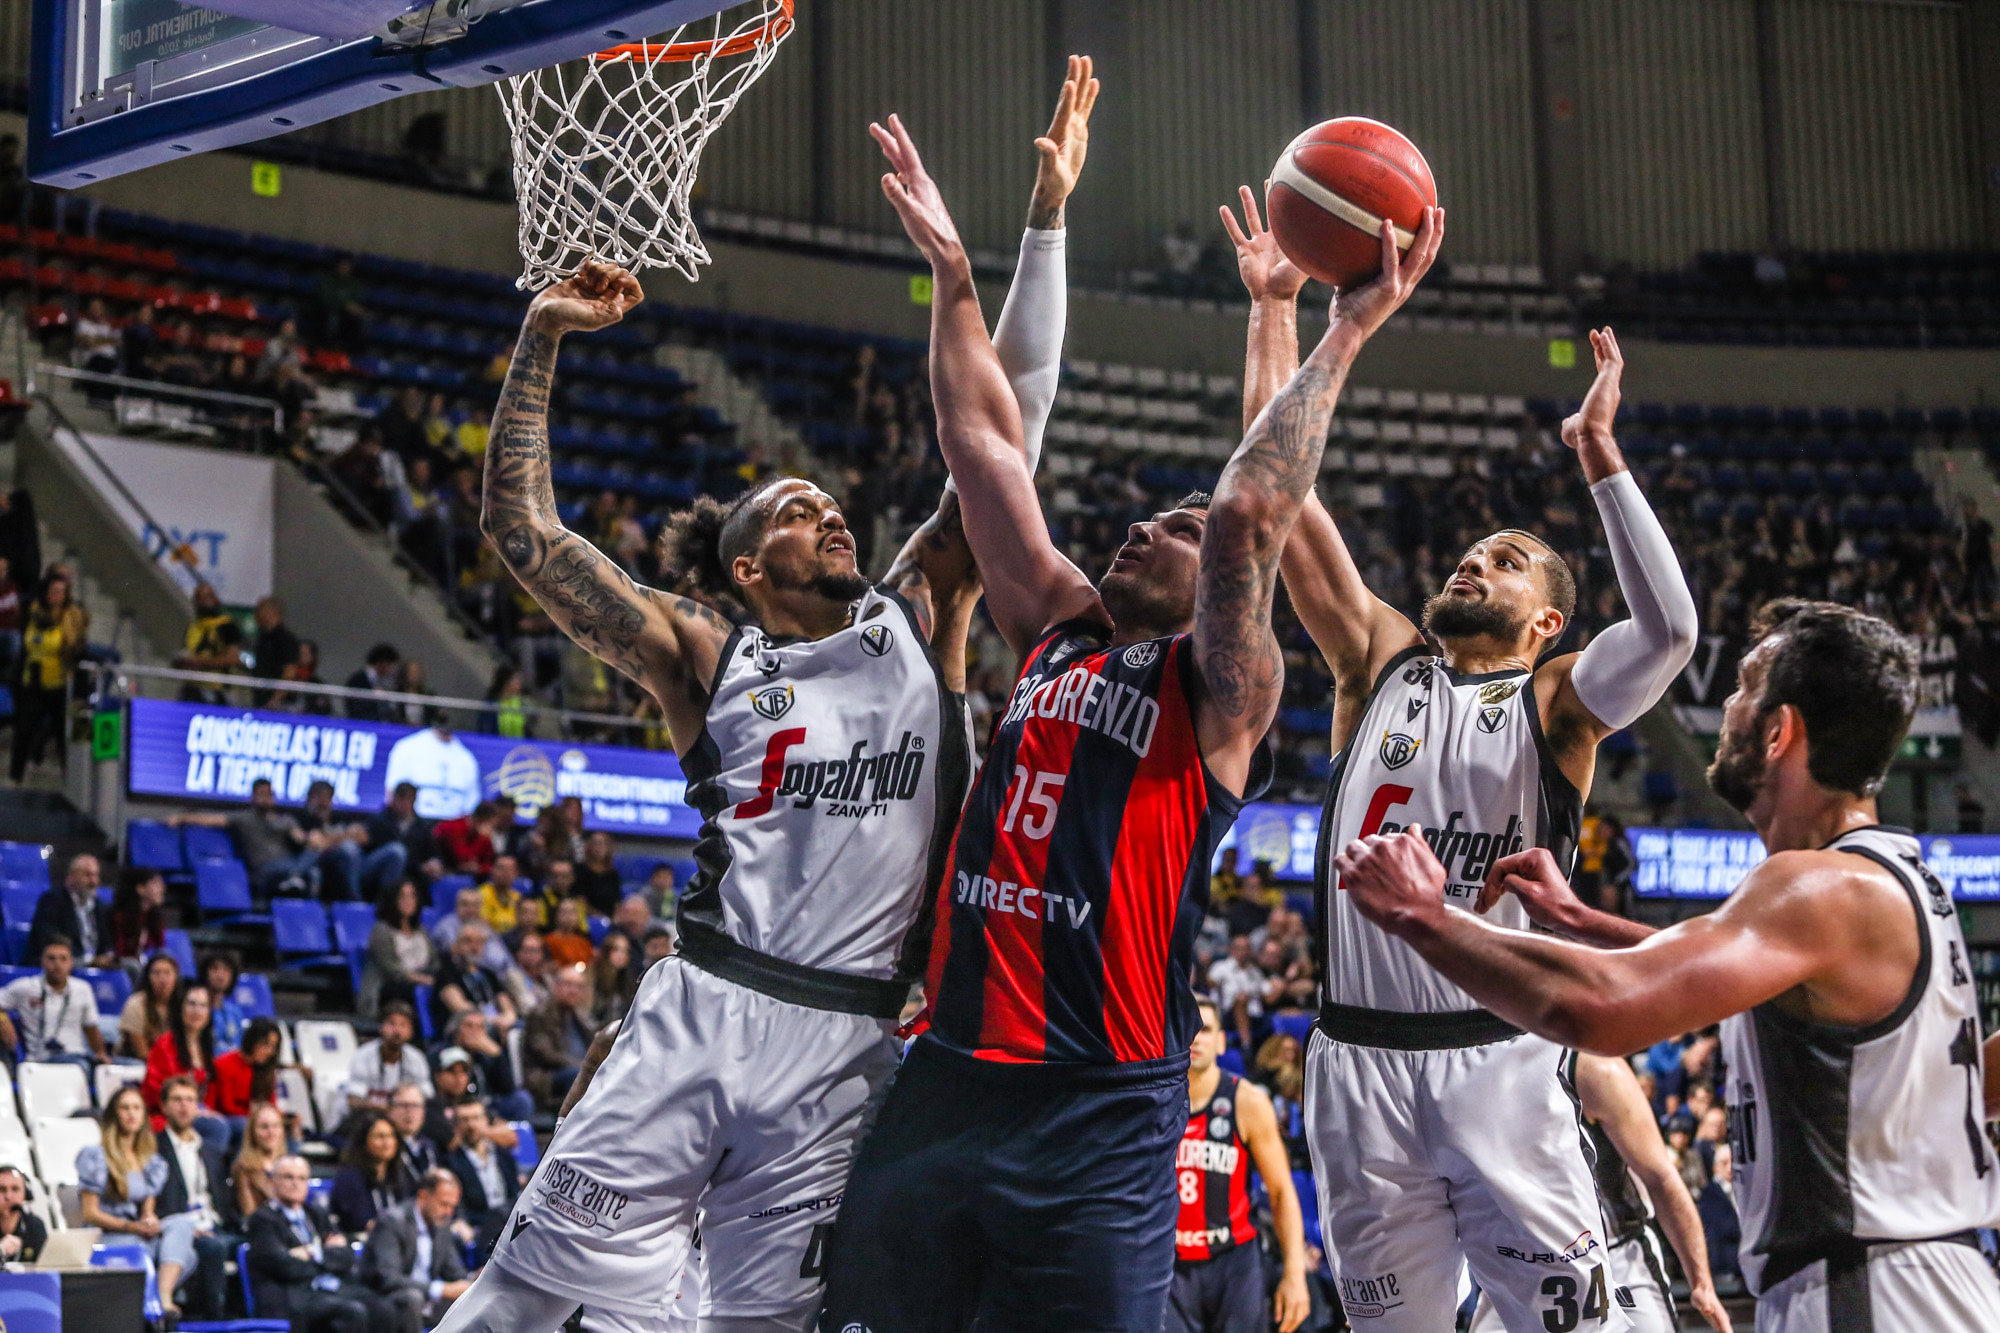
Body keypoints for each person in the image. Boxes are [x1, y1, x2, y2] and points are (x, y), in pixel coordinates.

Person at [438, 63, 1086, 1333]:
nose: (827, 510)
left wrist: (1042, 223)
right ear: (746, 567)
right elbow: (521, 533)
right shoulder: (708, 656)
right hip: (705, 1004)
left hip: (849, 1041)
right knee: (526, 1296)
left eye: (828, 502)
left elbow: (1003, 437)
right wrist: (542, 336)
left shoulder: (918, 614)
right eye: (795, 512)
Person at [821, 97, 1432, 1333]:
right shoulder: (1056, 623)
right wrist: (952, 271)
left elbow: (1252, 515)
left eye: (1174, 529)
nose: (1146, 527)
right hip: (946, 1073)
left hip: (1097, 1107)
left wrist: (1342, 327)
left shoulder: (1218, 693)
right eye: (1150, 522)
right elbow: (980, 442)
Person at [1222, 174, 1696, 1330]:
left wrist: (1596, 454)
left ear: (1546, 622)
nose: (1473, 563)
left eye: (1507, 560)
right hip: (1355, 1065)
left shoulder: (1557, 705)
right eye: (1471, 552)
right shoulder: (1375, 657)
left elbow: (1672, 631)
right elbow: (1270, 496)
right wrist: (1274, 309)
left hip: (1500, 1057)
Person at [1333, 600, 2000, 1331]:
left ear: (1780, 732)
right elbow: (1708, 970)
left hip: (1875, 1289)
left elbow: (1603, 1012)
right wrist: (1585, 922)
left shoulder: (1816, 887)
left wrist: (1425, 917)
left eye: (1746, 686)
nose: (1727, 703)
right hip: (1916, 1275)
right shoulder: (1892, 880)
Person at [1167, 1000, 1309, 1333]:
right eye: (1189, 1030)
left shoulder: (1247, 1101)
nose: (1196, 1039)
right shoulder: (1152, 1103)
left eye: (1206, 1030)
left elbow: (1280, 1191)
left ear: (1220, 1041)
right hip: (1169, 1263)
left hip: (1234, 1262)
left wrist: (1294, 1273)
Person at [79, 1085, 201, 1317]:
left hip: (135, 1232)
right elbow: (90, 1213)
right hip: (107, 1234)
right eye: (124, 1108)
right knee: (168, 1253)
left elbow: (148, 1208)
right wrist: (131, 1226)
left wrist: (149, 1221)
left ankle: (162, 1296)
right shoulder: (96, 1156)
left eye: (136, 1108)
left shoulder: (150, 1159)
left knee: (182, 1225)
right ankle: (154, 1303)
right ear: (114, 1114)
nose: (131, 1114)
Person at [249, 1154, 394, 1333]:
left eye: (302, 1178)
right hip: (295, 1295)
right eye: (288, 1177)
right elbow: (284, 1266)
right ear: (272, 1181)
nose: (295, 1183)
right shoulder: (262, 1219)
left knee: (383, 1309)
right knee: (352, 1312)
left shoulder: (316, 1213)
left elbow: (346, 1256)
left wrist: (311, 1253)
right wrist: (326, 1255)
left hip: (330, 1288)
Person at [155, 1074, 234, 1319]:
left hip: (214, 1223)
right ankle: (214, 1320)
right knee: (212, 1248)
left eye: (190, 1100)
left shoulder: (211, 1150)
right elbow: (157, 1202)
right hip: (179, 1227)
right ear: (164, 1106)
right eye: (177, 1100)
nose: (184, 1106)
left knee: (253, 1244)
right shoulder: (155, 1149)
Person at [362, 1169, 476, 1333]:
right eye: (444, 1204)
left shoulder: (441, 1223)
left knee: (469, 1299)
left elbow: (454, 1272)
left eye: (452, 1206)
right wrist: (441, 1289)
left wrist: (473, 1278)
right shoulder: (392, 1221)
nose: (448, 1212)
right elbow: (389, 1278)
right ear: (423, 1196)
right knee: (412, 1299)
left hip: (427, 1299)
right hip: (387, 1298)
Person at [172, 778, 324, 896]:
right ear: (253, 797)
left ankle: (294, 881)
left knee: (314, 867)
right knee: (304, 871)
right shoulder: (243, 818)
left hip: (287, 864)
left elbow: (300, 838)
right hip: (264, 869)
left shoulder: (286, 820)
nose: (265, 799)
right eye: (261, 794)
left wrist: (312, 838)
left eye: (269, 794)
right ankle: (294, 877)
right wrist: (182, 817)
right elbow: (211, 818)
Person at [141, 981, 233, 1153]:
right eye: (191, 1004)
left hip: (202, 1114)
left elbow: (212, 1091)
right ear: (181, 1008)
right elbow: (155, 1090)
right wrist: (193, 1109)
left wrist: (206, 1110)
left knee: (243, 1126)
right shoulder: (165, 1045)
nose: (197, 1011)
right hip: (168, 1115)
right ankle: (209, 1175)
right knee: (218, 1128)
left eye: (203, 1006)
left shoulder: (209, 1048)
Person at [0, 935, 110, 1073]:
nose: (57, 964)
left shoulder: (82, 989)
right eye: (51, 958)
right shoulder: (26, 987)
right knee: (80, 1067)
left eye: (63, 959)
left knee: (128, 1066)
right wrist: (2, 1018)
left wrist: (101, 1054)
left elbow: (91, 1028)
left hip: (76, 1055)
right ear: (42, 961)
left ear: (71, 962)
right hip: (41, 1059)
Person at [13, 573, 85, 781]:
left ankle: (70, 778)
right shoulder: (34, 613)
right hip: (33, 678)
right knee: (25, 728)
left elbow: (76, 647)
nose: (56, 596)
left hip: (59, 681)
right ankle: (16, 774)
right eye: (53, 591)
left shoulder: (70, 616)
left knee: (63, 732)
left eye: (61, 592)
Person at [443, 1098, 519, 1260]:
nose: (471, 1125)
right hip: (479, 1227)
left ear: (485, 1121)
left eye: (476, 1118)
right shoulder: (450, 1162)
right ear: (456, 1126)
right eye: (465, 1120)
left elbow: (514, 1194)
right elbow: (457, 1205)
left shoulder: (504, 1156)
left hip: (510, 1223)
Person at [519, 963, 595, 1111]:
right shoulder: (540, 1014)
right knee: (577, 1076)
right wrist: (581, 1066)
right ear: (556, 986)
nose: (573, 991)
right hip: (547, 1077)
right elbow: (545, 1054)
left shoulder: (580, 1017)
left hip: (578, 1071)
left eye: (578, 986)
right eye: (568, 985)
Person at [329, 1111, 417, 1236]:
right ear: (364, 1141)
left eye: (391, 1136)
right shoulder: (349, 1177)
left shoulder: (402, 1174)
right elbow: (358, 1221)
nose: (387, 1143)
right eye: (380, 1136)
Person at [363, 881, 439, 1018]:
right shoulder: (381, 930)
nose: (408, 901)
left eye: (412, 896)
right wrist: (422, 979)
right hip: (389, 986)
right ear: (393, 900)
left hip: (421, 981)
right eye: (403, 896)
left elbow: (435, 962)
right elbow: (391, 969)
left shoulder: (422, 931)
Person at [25, 852, 112, 968]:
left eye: (96, 875)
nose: (94, 882)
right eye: (88, 875)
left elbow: (107, 942)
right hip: (63, 961)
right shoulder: (52, 900)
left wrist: (107, 956)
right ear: (71, 877)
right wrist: (89, 960)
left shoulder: (100, 906)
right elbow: (50, 938)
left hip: (94, 964)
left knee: (130, 966)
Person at [432, 923, 518, 1036]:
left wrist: (508, 1018)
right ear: (455, 946)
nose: (474, 946)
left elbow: (506, 1004)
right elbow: (461, 1008)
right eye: (467, 941)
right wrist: (496, 1021)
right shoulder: (446, 973)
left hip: (496, 1026)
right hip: (464, 1031)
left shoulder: (488, 973)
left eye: (479, 942)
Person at [444, 1013, 534, 1120]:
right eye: (469, 1026)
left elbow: (508, 1087)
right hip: (458, 1104)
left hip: (486, 1103)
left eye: (480, 1027)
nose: (474, 1031)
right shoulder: (444, 1052)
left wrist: (497, 1054)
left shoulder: (484, 1054)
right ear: (456, 1029)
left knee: (521, 1099)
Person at [346, 1002, 433, 1112]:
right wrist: (389, 1110)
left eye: (403, 1025)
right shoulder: (363, 1055)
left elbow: (427, 1097)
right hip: (368, 1117)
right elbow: (353, 1100)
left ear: (411, 1032)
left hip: (403, 1117)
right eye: (392, 1024)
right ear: (381, 1027)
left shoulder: (417, 1058)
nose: (397, 1031)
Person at [365, 783, 439, 897]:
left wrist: (434, 863)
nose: (403, 803)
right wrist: (419, 866)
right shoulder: (379, 821)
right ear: (393, 798)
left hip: (413, 876)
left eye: (407, 799)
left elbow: (432, 853)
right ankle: (388, 900)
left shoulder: (423, 826)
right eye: (400, 798)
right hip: (378, 873)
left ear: (414, 801)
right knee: (396, 852)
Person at [209, 1015, 283, 1121]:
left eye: (273, 1047)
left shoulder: (266, 1070)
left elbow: (271, 1105)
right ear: (252, 1040)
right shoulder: (224, 1064)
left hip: (255, 1119)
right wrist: (258, 1116)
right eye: (265, 1044)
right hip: (226, 1119)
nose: (269, 1051)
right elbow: (227, 1107)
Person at [232, 1102, 291, 1221]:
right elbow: (250, 1215)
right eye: (264, 1127)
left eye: (276, 1126)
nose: (271, 1132)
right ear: (252, 1133)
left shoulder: (290, 1165)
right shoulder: (243, 1168)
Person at [109, 865, 167, 966]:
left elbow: (159, 947)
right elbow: (119, 952)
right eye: (156, 883)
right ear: (140, 889)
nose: (162, 888)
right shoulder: (119, 917)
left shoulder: (154, 916)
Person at [390, 1081, 442, 1180]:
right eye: (404, 1105)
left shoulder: (430, 1146)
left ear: (423, 1112)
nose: (410, 1112)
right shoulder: (386, 1147)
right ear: (391, 1110)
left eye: (415, 1106)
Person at [434, 803, 501, 879]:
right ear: (480, 820)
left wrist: (480, 868)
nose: (493, 830)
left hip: (466, 874)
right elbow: (462, 859)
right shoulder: (453, 827)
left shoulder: (482, 836)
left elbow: (491, 863)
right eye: (492, 825)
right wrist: (483, 838)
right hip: (444, 871)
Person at [0, 1166, 48, 1264]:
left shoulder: (35, 1225)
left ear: (25, 1194)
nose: (8, 1196)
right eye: (2, 1189)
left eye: (15, 1189)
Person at [203, 951, 248, 1054]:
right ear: (205, 972)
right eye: (215, 968)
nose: (220, 975)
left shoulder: (235, 1013)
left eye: (226, 970)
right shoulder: (197, 1009)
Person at [345, 643, 403, 723]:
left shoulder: (387, 681)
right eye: (391, 665)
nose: (392, 670)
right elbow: (355, 706)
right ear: (382, 663)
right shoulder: (358, 680)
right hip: (364, 723)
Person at [588, 930, 636, 1024]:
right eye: (616, 950)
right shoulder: (593, 976)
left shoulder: (628, 980)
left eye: (625, 951)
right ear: (606, 951)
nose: (621, 956)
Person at [572, 831, 622, 918]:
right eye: (596, 844)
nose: (600, 848)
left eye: (604, 844)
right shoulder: (579, 870)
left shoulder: (613, 874)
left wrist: (614, 919)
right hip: (585, 917)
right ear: (589, 846)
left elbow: (617, 902)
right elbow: (579, 901)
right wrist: (600, 917)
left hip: (610, 918)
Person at [478, 856, 525, 934]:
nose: (505, 873)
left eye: (510, 869)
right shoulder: (482, 894)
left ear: (516, 873)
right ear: (492, 870)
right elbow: (482, 927)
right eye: (501, 868)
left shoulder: (518, 897)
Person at [542, 897, 593, 969]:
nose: (568, 916)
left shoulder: (584, 943)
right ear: (557, 915)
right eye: (564, 912)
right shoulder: (548, 941)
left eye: (571, 912)